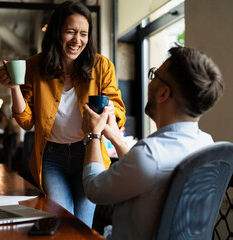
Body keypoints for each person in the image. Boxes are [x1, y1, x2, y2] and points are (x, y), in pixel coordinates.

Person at [0, 1, 126, 227]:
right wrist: (14, 87)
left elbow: (119, 112)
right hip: (51, 158)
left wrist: (107, 116)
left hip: (88, 154)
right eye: (71, 32)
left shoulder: (101, 66)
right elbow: (26, 122)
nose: (78, 40)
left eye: (83, 34)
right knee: (62, 222)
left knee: (82, 224)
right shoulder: (35, 66)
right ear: (57, 32)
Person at [82, 46, 224, 239]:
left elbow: (93, 188)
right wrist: (115, 137)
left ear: (163, 93)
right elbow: (147, 169)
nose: (150, 81)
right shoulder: (208, 144)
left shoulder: (149, 154)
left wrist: (93, 134)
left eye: (154, 75)